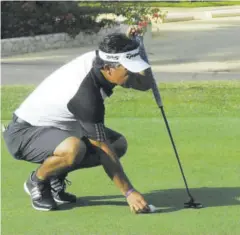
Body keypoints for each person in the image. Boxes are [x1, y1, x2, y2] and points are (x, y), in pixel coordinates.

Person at [3, 32, 153, 213]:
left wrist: (139, 52)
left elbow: (144, 83)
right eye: (129, 70)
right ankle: (38, 181)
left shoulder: (103, 63)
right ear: (109, 69)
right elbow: (103, 148)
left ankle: (55, 174)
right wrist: (129, 192)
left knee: (118, 145)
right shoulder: (86, 96)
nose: (133, 74)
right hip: (25, 133)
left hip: (62, 129)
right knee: (75, 149)